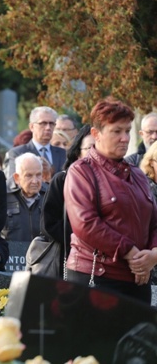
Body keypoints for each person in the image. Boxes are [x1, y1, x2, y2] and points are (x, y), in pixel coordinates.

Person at [65, 97, 157, 303]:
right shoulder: (81, 171)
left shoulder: (138, 174)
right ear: (96, 134)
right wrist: (132, 253)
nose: (125, 138)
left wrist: (152, 256)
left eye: (127, 130)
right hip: (96, 276)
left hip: (138, 279)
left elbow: (154, 222)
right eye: (117, 131)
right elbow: (86, 224)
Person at [41, 124, 94, 269]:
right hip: (70, 259)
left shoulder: (114, 182)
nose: (95, 153)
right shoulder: (62, 180)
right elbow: (49, 223)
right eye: (89, 148)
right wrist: (81, 240)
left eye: (98, 148)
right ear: (78, 152)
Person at [3, 107, 67, 179]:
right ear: (32, 126)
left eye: (52, 123)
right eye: (43, 123)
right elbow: (11, 183)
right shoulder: (17, 153)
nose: (48, 127)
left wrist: (50, 174)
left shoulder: (63, 154)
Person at [2, 153, 46, 241]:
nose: (35, 181)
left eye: (38, 175)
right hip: (12, 253)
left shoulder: (49, 194)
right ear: (17, 177)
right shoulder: (2, 195)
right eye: (29, 175)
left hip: (43, 253)